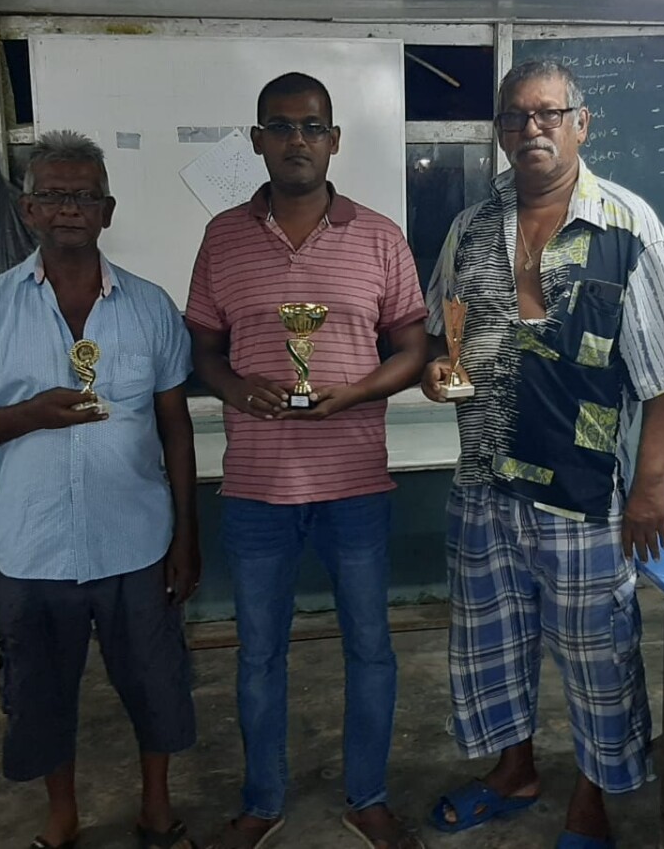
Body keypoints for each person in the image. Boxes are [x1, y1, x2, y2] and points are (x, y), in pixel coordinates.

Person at [421, 59, 664, 849]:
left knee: (597, 657)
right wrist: (438, 372)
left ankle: (592, 798)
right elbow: (441, 339)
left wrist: (650, 487)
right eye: (516, 116)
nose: (532, 128)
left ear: (582, 124)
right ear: (500, 132)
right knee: (491, 644)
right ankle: (515, 772)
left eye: (549, 113)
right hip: (483, 483)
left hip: (582, 495)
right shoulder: (471, 229)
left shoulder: (628, 226)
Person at [0, 130, 200, 849]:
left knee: (155, 683)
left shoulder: (150, 307)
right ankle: (63, 816)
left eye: (84, 196)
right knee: (41, 693)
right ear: (28, 211)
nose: (69, 208)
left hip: (136, 542)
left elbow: (175, 427)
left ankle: (155, 808)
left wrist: (186, 536)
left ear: (107, 211)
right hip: (34, 548)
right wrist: (29, 415)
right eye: (52, 195)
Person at [186, 72, 428, 849]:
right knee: (259, 655)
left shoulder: (380, 236)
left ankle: (369, 797)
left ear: (334, 140)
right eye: (282, 126)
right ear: (258, 139)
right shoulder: (223, 237)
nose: (298, 140)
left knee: (370, 649)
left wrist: (356, 392)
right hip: (257, 489)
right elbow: (204, 349)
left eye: (313, 126)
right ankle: (263, 802)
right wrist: (235, 387)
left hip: (355, 482)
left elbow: (414, 347)